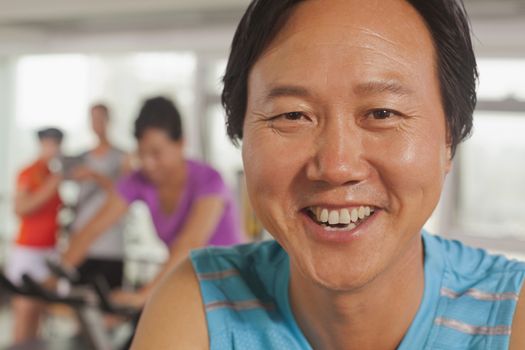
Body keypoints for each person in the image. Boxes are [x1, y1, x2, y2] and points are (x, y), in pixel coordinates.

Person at [132, 0, 525, 349]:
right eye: (292, 115)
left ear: (449, 140)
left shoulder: (513, 313)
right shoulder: (200, 301)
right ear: (240, 137)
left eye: (382, 113)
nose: (336, 166)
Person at [59, 96, 243, 307]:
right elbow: (93, 228)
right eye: (142, 153)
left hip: (231, 289)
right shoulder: (138, 180)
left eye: (156, 153)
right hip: (191, 284)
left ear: (181, 143)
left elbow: (189, 245)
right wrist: (56, 275)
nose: (148, 163)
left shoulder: (209, 180)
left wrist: (144, 295)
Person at [5, 127, 63, 344]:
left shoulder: (52, 174)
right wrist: (52, 185)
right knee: (23, 310)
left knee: (39, 310)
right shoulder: (29, 172)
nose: (53, 148)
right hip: (27, 250)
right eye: (49, 143)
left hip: (48, 250)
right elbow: (20, 208)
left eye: (56, 144)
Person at [70, 103, 131, 290]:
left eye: (100, 118)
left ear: (108, 121)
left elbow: (125, 192)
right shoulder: (81, 157)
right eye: (93, 119)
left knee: (108, 308)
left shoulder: (123, 157)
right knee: (79, 303)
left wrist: (95, 176)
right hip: (82, 243)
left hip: (110, 245)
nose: (97, 123)